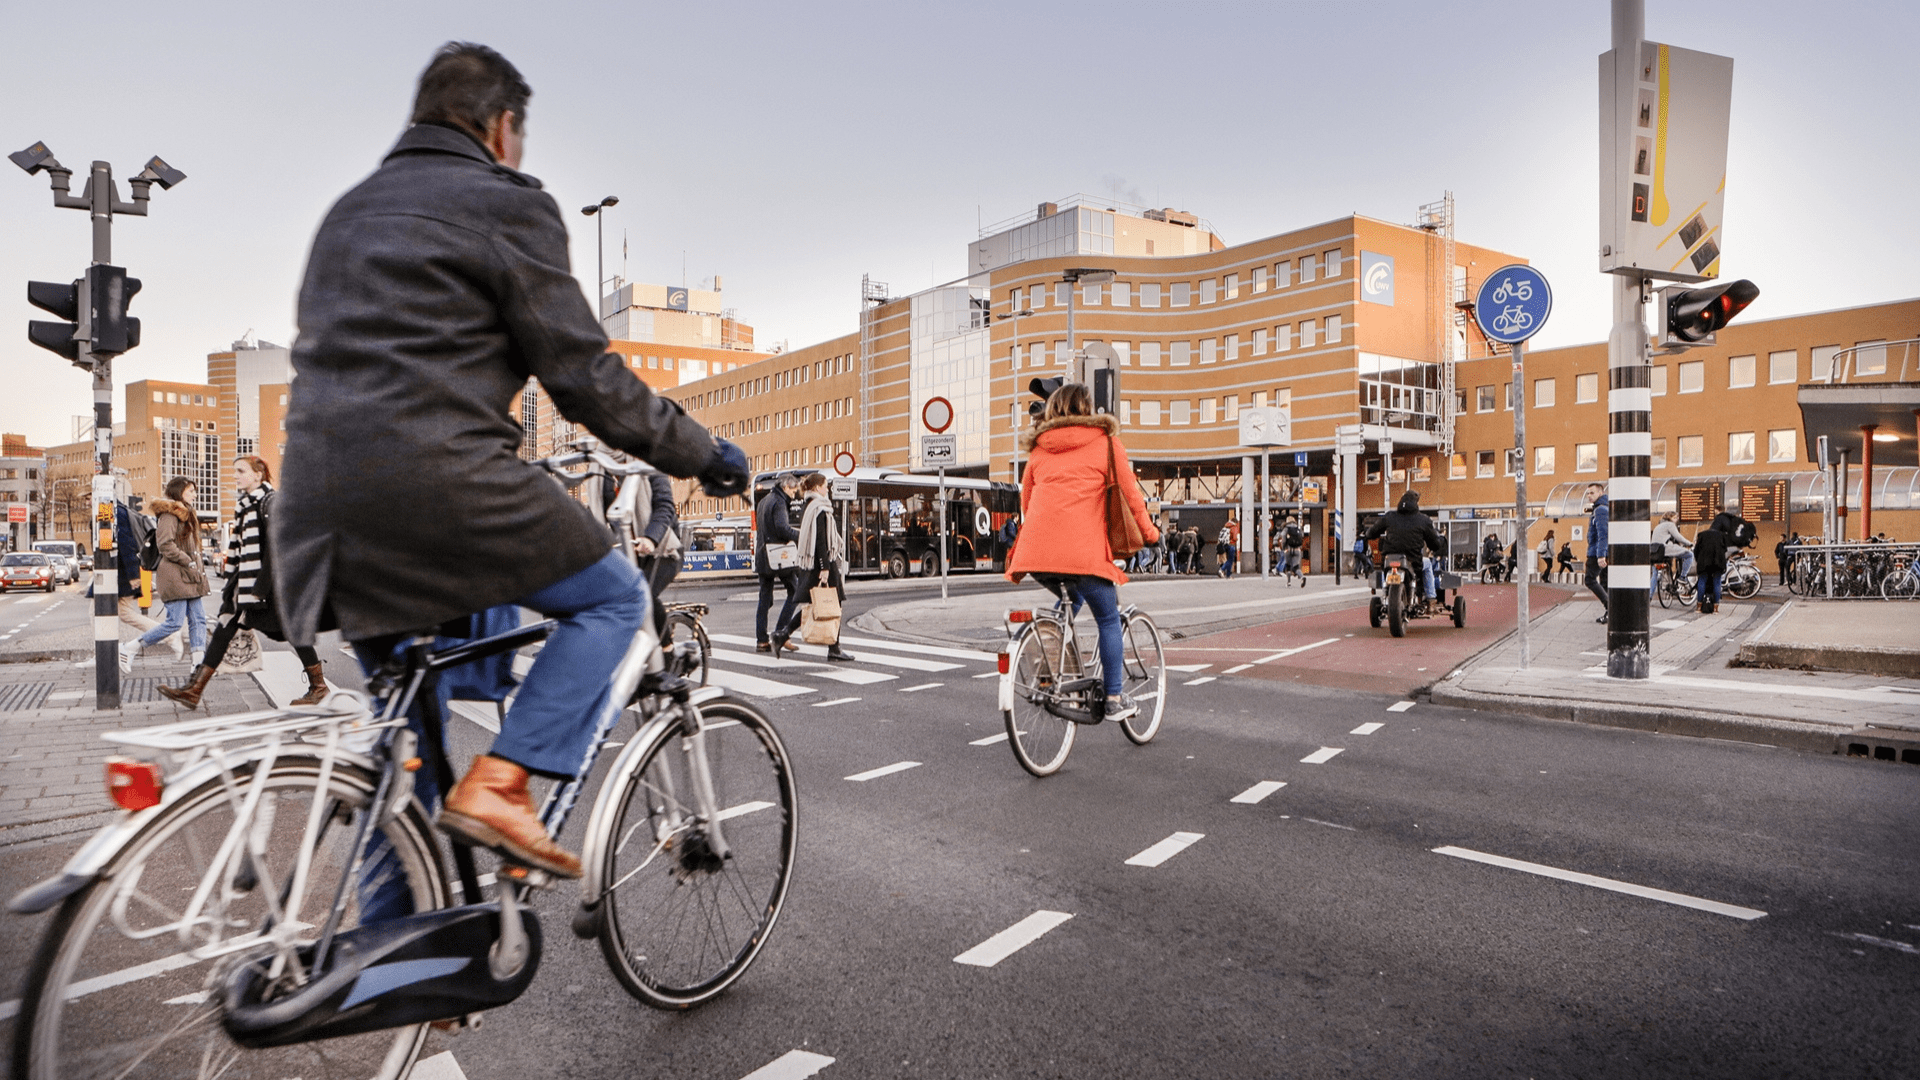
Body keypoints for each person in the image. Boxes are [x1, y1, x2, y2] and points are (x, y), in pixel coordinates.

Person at [274, 42, 748, 881]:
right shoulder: (504, 203)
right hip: (439, 480)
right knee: (611, 599)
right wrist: (703, 452)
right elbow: (585, 378)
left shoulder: (347, 211)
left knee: (405, 763)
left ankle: (405, 965)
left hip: (317, 508)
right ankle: (508, 783)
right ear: (502, 127)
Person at [1006, 383, 1158, 721]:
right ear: (1088, 408)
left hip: (1035, 554)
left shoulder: (1038, 451)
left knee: (1069, 601)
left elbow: (1028, 505)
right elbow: (1132, 496)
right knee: (1107, 617)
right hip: (1081, 554)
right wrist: (1150, 534)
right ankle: (1116, 698)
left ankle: (1049, 673)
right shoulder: (1106, 443)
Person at [161, 456, 330, 708]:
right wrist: (231, 592)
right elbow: (239, 555)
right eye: (235, 471)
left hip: (270, 589)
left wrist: (259, 589)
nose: (236, 476)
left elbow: (277, 548)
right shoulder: (245, 507)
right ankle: (194, 690)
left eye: (241, 471)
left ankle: (319, 687)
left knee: (293, 631)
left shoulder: (270, 502)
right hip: (248, 588)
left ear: (258, 475)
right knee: (223, 631)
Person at [128, 477, 208, 668]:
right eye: (191, 491)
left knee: (198, 619)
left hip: (188, 575)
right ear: (178, 492)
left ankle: (198, 662)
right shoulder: (169, 515)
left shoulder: (187, 514)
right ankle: (132, 646)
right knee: (174, 623)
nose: (195, 495)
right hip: (175, 575)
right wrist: (187, 561)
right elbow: (165, 544)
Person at [775, 472, 853, 661]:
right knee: (833, 604)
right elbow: (820, 540)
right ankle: (834, 648)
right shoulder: (818, 507)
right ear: (817, 487)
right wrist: (824, 568)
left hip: (815, 563)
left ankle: (782, 635)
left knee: (816, 604)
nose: (828, 489)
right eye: (826, 486)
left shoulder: (810, 505)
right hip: (821, 564)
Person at [114, 497, 172, 672]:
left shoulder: (114, 511)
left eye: (88, 497)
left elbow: (125, 544)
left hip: (119, 572)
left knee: (123, 613)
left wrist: (133, 574)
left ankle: (168, 634)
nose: (87, 502)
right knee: (111, 613)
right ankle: (102, 653)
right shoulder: (111, 509)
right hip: (116, 571)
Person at [1362, 491, 1445, 613]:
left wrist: (1368, 534)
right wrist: (1437, 545)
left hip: (1389, 559)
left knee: (1386, 571)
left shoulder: (1389, 516)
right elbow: (1434, 543)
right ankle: (1431, 600)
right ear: (1416, 503)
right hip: (1413, 560)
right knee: (1427, 565)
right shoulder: (1423, 520)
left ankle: (1386, 596)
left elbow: (1372, 532)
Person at [755, 473, 802, 652]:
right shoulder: (780, 502)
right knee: (795, 591)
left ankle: (761, 640)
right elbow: (782, 528)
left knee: (764, 598)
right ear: (785, 487)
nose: (794, 493)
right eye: (793, 489)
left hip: (763, 555)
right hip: (778, 556)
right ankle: (781, 634)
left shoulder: (764, 501)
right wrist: (800, 535)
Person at [1583, 482, 1610, 624]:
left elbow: (1603, 534)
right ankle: (1610, 613)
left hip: (1597, 552)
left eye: (1592, 493)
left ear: (1601, 492)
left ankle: (1610, 607)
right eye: (1588, 493)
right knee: (1605, 581)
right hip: (1603, 551)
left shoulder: (1600, 510)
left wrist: (1600, 555)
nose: (1589, 496)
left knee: (1589, 579)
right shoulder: (1601, 508)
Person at [1694, 514, 1731, 614]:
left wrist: (1699, 561)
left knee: (1702, 581)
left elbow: (1696, 551)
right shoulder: (1722, 536)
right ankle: (1715, 608)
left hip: (1704, 562)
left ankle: (1699, 607)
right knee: (1717, 582)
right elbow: (1724, 551)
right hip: (1718, 563)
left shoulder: (1701, 535)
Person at [1650, 511, 1694, 596]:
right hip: (1665, 549)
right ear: (1669, 518)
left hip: (1654, 553)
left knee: (1654, 574)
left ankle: (1649, 596)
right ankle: (1682, 577)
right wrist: (1689, 543)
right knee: (1689, 555)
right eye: (1674, 518)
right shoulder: (1670, 525)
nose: (1676, 519)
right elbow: (1678, 537)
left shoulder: (1658, 526)